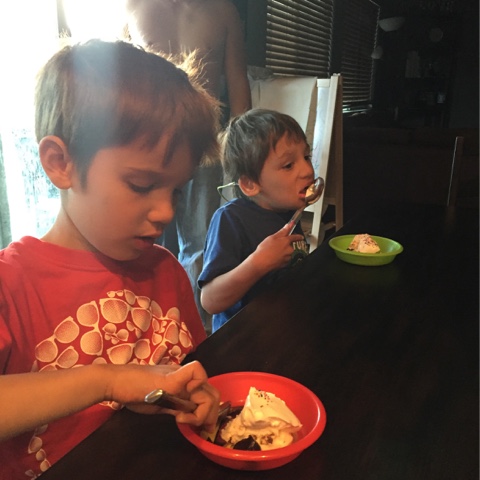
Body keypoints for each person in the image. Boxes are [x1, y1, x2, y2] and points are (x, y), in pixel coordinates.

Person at [0, 39, 222, 478]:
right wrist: (109, 380)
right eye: (141, 185)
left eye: (176, 190)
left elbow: (186, 374)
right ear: (60, 162)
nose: (166, 212)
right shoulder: (12, 284)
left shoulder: (166, 271)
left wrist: (189, 395)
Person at [124, 0, 252, 333]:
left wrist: (239, 152)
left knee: (200, 245)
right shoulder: (131, 7)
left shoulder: (223, 11)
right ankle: (144, 331)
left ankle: (197, 333)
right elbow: (119, 83)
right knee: (143, 242)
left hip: (205, 150)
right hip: (147, 148)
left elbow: (238, 83)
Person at [198, 109, 314, 333]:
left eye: (307, 157)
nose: (307, 171)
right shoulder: (231, 220)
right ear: (250, 184)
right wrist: (259, 263)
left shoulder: (288, 210)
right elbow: (210, 300)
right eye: (288, 165)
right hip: (243, 338)